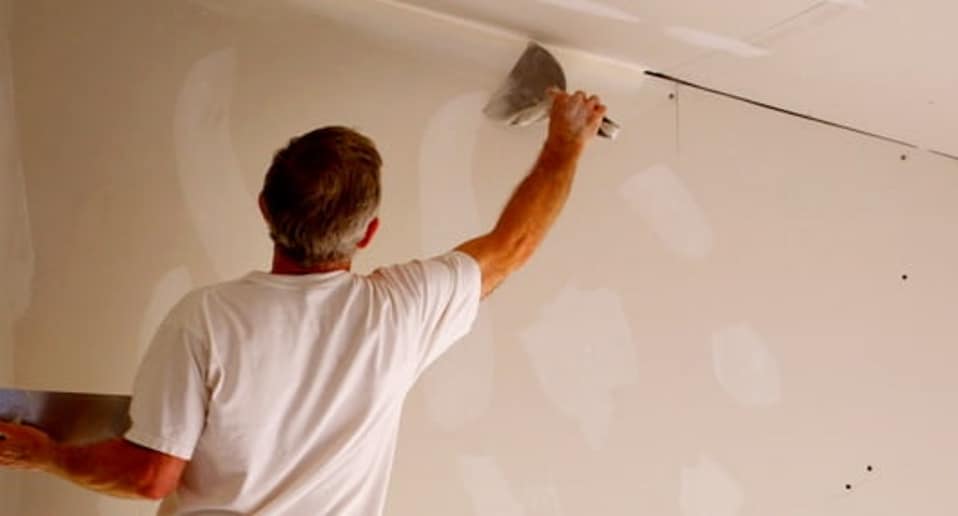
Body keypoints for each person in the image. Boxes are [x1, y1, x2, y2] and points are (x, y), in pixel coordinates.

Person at [0, 89, 607, 514]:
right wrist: (566, 142)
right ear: (367, 234)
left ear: (265, 208)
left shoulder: (205, 318)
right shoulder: (401, 311)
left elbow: (150, 476)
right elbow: (512, 245)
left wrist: (49, 455)